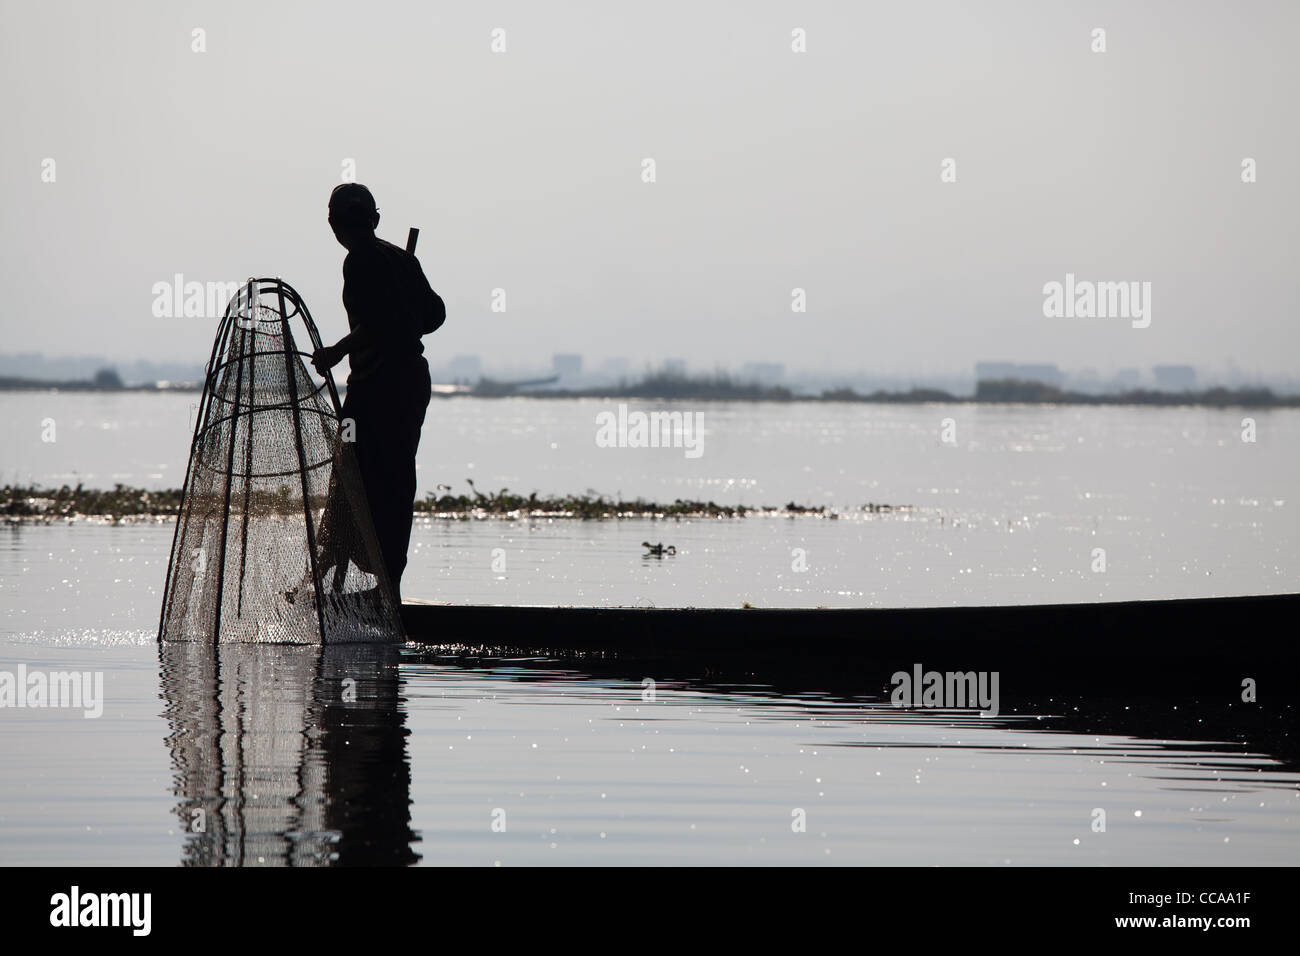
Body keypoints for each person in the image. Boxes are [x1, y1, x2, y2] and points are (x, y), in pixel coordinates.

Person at [312, 183, 445, 603]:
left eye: (348, 222)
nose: (345, 229)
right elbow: (432, 315)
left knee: (362, 476)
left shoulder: (362, 261)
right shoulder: (400, 261)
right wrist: (408, 302)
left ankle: (374, 584)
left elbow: (388, 321)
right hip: (402, 386)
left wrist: (337, 351)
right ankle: (366, 579)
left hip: (380, 388)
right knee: (373, 476)